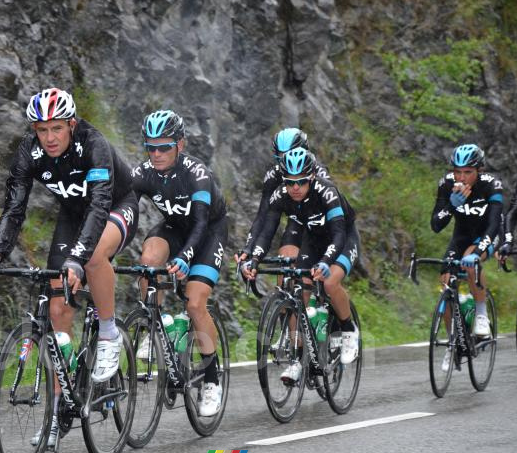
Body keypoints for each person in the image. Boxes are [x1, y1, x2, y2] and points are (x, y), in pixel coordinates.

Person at [0, 87, 139, 448]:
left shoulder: (93, 144)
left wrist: (77, 258)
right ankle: (60, 407)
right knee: (58, 308)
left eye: (57, 129)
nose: (49, 138)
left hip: (114, 206)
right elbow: (14, 209)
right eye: (42, 129)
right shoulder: (28, 152)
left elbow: (99, 205)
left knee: (91, 257)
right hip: (73, 214)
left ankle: (108, 334)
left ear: (71, 124)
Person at [130, 109, 227, 417]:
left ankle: (211, 380)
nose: (156, 154)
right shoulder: (143, 173)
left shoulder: (197, 174)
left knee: (195, 304)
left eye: (164, 147)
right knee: (148, 261)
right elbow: (124, 209)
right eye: (151, 147)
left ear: (180, 145)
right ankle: (155, 325)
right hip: (174, 228)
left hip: (207, 233)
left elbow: (200, 223)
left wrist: (185, 256)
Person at [243, 147, 360, 384]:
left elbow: (338, 235)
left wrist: (325, 262)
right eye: (289, 182)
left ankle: (349, 329)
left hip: (343, 239)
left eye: (301, 182)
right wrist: (254, 259)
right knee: (299, 292)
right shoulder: (280, 195)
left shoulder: (327, 192)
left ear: (312, 177)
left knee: (329, 282)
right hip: (313, 240)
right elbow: (267, 233)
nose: (295, 187)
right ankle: (297, 358)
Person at [431, 144, 502, 348]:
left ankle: (481, 313)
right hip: (461, 237)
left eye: (468, 172)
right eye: (457, 171)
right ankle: (454, 343)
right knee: (445, 283)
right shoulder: (446, 184)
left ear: (479, 171)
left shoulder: (491, 185)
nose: (461, 178)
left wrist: (478, 252)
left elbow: (494, 225)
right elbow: (436, 225)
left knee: (470, 262)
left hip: (487, 235)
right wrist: (451, 205)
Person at [236, 127, 330, 267]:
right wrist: (249, 248)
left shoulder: (319, 173)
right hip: (296, 222)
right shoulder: (273, 176)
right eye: (280, 158)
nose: (285, 162)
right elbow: (263, 215)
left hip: (321, 225)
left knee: (312, 272)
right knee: (285, 263)